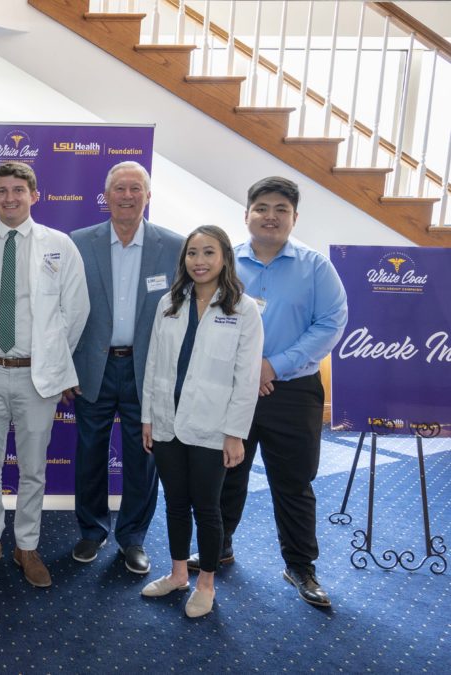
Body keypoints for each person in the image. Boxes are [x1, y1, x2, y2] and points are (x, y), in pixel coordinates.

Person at [188, 177, 348, 608]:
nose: (270, 216)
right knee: (226, 474)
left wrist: (272, 365)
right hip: (230, 388)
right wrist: (241, 369)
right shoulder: (225, 261)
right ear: (247, 215)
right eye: (261, 207)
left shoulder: (315, 267)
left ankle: (300, 566)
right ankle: (216, 549)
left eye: (281, 208)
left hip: (293, 390)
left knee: (293, 483)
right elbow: (204, 316)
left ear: (294, 218)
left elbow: (331, 323)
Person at [0, 161, 90, 588]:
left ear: (35, 194)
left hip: (38, 377)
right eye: (2, 191)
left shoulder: (60, 245)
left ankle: (26, 544)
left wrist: (51, 359)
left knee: (33, 468)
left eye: (18, 190)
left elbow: (76, 310)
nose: (10, 198)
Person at [139, 225, 263, 618]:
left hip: (214, 426)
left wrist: (235, 434)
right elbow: (154, 364)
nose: (199, 261)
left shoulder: (244, 309)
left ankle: (206, 583)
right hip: (167, 420)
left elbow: (246, 379)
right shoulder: (168, 303)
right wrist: (147, 419)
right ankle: (178, 575)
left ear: (225, 257)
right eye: (192, 253)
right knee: (174, 502)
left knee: (207, 508)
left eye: (208, 253)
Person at [70, 161, 184, 575]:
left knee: (143, 458)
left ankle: (133, 538)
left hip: (146, 371)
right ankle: (91, 530)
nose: (127, 195)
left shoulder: (174, 246)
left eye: (136, 188)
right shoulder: (78, 243)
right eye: (119, 188)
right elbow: (61, 310)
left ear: (148, 196)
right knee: (89, 454)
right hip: (92, 368)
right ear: (106, 196)